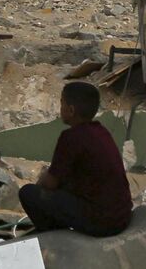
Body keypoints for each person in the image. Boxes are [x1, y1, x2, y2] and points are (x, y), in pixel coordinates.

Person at [18, 81, 133, 238]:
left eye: (62, 104)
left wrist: (42, 180)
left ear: (71, 110)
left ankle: (52, 236)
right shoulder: (100, 131)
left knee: (28, 193)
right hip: (122, 216)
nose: (61, 108)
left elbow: (50, 183)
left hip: (103, 223)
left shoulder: (70, 138)